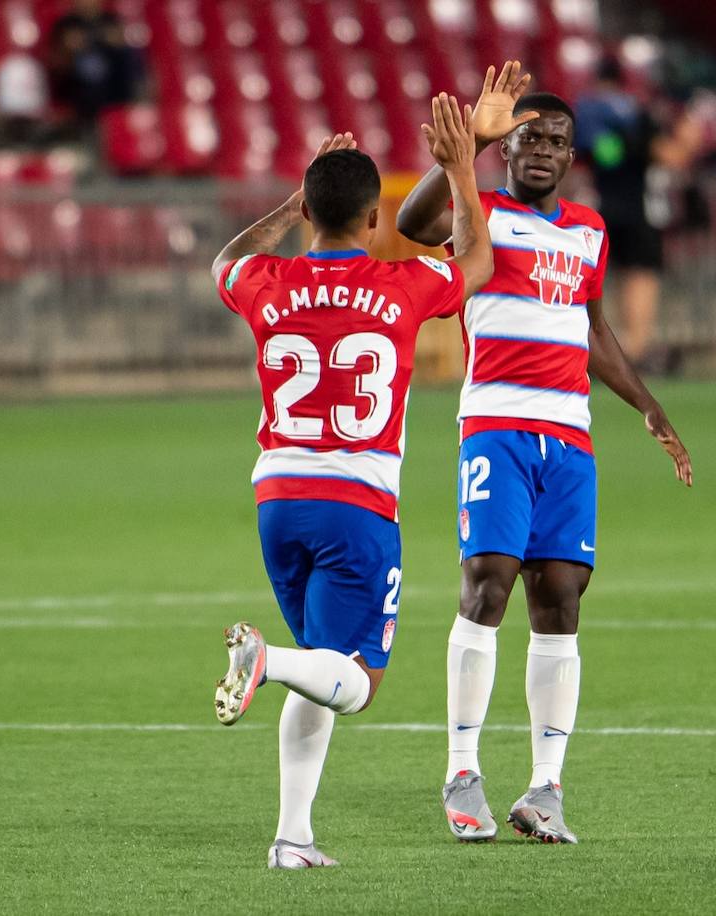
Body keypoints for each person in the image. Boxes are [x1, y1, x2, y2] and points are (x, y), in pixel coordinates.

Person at [396, 61, 693, 844]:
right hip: (495, 423)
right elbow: (412, 227)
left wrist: (648, 405)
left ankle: (546, 790)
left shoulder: (590, 231)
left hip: (569, 437)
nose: (542, 149)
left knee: (559, 599)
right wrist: (460, 153)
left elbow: (593, 330)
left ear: (571, 156)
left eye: (556, 140)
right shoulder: (479, 211)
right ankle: (462, 774)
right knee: (487, 584)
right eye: (528, 136)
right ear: (506, 147)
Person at [209, 95, 494, 869]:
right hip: (356, 506)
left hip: (277, 501)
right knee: (358, 680)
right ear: (375, 219)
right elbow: (478, 264)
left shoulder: (267, 279)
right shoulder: (400, 286)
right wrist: (463, 173)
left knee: (321, 667)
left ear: (308, 212)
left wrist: (283, 209)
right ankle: (262, 663)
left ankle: (293, 838)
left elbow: (221, 264)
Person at [574, 57, 667, 366]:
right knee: (640, 275)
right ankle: (635, 349)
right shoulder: (636, 109)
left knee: (602, 280)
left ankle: (604, 349)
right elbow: (659, 153)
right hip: (637, 204)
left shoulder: (586, 109)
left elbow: (595, 153)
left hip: (601, 205)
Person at [48, 0, 139, 122]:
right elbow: (56, 62)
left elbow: (124, 48)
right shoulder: (66, 24)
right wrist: (69, 48)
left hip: (112, 93)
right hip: (77, 96)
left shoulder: (111, 21)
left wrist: (115, 42)